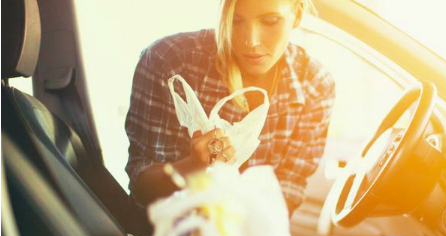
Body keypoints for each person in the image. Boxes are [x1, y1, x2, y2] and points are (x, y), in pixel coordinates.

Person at [125, 0, 335, 216]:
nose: (250, 41)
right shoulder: (171, 63)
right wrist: (192, 166)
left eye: (270, 21)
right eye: (235, 21)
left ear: (298, 15)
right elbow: (142, 187)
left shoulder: (314, 85)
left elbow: (289, 187)